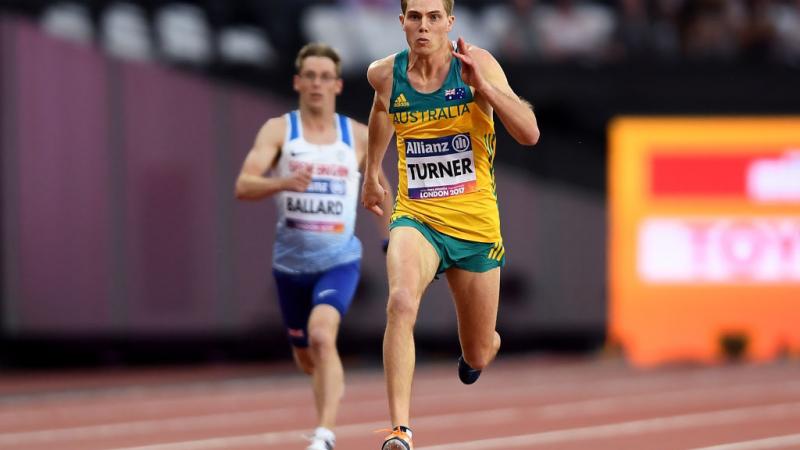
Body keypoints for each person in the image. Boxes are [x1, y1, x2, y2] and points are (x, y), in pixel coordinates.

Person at [360, 1, 540, 448]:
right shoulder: (384, 73)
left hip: (476, 226)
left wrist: (487, 90)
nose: (424, 26)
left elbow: (530, 132)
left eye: (434, 17)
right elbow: (382, 109)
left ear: (449, 22)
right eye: (415, 17)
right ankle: (400, 430)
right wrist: (371, 172)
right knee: (400, 302)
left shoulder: (476, 64)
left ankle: (481, 352)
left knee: (479, 348)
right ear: (401, 22)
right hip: (416, 217)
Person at [235, 43, 392, 450]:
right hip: (289, 268)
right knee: (307, 357)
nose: (317, 84)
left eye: (325, 77)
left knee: (324, 337)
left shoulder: (356, 135)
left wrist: (392, 242)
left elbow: (380, 189)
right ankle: (327, 379)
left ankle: (324, 435)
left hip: (338, 261)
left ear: (338, 85)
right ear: (298, 82)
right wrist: (282, 182)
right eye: (311, 76)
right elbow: (244, 184)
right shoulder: (279, 131)